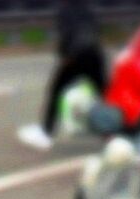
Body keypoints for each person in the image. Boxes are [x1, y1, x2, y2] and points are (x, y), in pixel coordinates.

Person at [22, 0, 105, 150]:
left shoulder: (65, 9)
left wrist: (65, 55)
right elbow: (97, 29)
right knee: (104, 93)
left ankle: (46, 133)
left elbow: (67, 33)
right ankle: (117, 132)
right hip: (94, 54)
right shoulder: (86, 7)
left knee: (56, 91)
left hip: (76, 55)